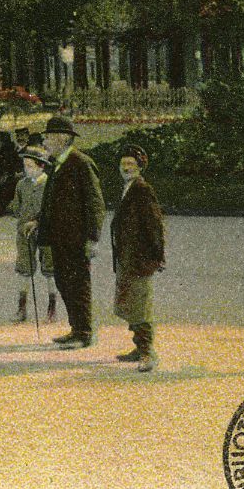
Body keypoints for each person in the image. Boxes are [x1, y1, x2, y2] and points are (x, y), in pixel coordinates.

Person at [36, 115, 105, 349]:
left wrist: (93, 238)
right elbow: (50, 201)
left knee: (78, 283)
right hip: (59, 238)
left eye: (49, 137)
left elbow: (95, 203)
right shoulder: (57, 164)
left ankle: (84, 332)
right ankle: (76, 328)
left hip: (76, 239)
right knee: (64, 282)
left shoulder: (80, 163)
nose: (45, 141)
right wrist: (39, 223)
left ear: (63, 138)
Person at [111, 145, 166, 371]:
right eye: (123, 164)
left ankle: (147, 352)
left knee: (140, 305)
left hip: (139, 258)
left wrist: (156, 256)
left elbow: (155, 225)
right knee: (130, 302)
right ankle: (138, 347)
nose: (126, 168)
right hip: (128, 257)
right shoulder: (128, 187)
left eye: (131, 164)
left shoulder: (142, 189)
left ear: (140, 166)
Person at [9, 147, 57, 323]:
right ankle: (22, 308)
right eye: (25, 166)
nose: (26, 170)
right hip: (24, 232)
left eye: (30, 166)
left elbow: (53, 210)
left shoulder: (50, 184)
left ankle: (52, 308)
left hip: (46, 231)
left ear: (41, 166)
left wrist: (37, 222)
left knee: (50, 269)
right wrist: (22, 220)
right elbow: (17, 207)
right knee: (24, 268)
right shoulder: (22, 185)